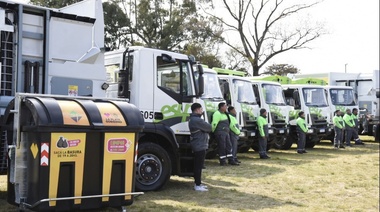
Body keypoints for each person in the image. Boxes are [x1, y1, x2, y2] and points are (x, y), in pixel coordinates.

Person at [188, 103, 212, 191]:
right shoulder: (196, 120)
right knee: (198, 166)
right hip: (199, 145)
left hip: (200, 144)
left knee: (199, 165)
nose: (202, 111)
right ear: (197, 110)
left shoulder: (195, 119)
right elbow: (209, 127)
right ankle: (197, 184)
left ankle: (199, 183)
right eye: (201, 109)